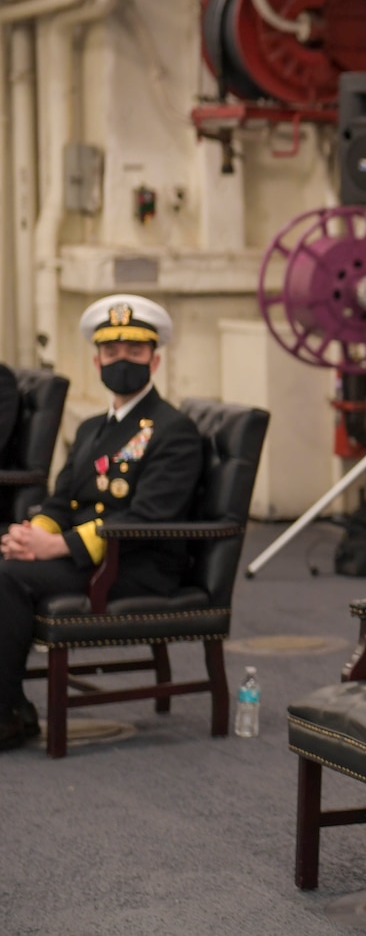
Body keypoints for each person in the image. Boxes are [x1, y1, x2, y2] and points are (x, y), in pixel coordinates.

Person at [0, 295, 203, 750]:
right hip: (86, 555)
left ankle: (7, 713)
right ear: (97, 360)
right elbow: (60, 498)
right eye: (112, 352)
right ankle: (13, 705)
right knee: (7, 555)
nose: (122, 361)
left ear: (155, 359)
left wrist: (60, 546)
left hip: (135, 565)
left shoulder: (173, 430)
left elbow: (148, 516)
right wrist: (35, 535)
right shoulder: (92, 426)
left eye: (134, 351)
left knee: (8, 578)